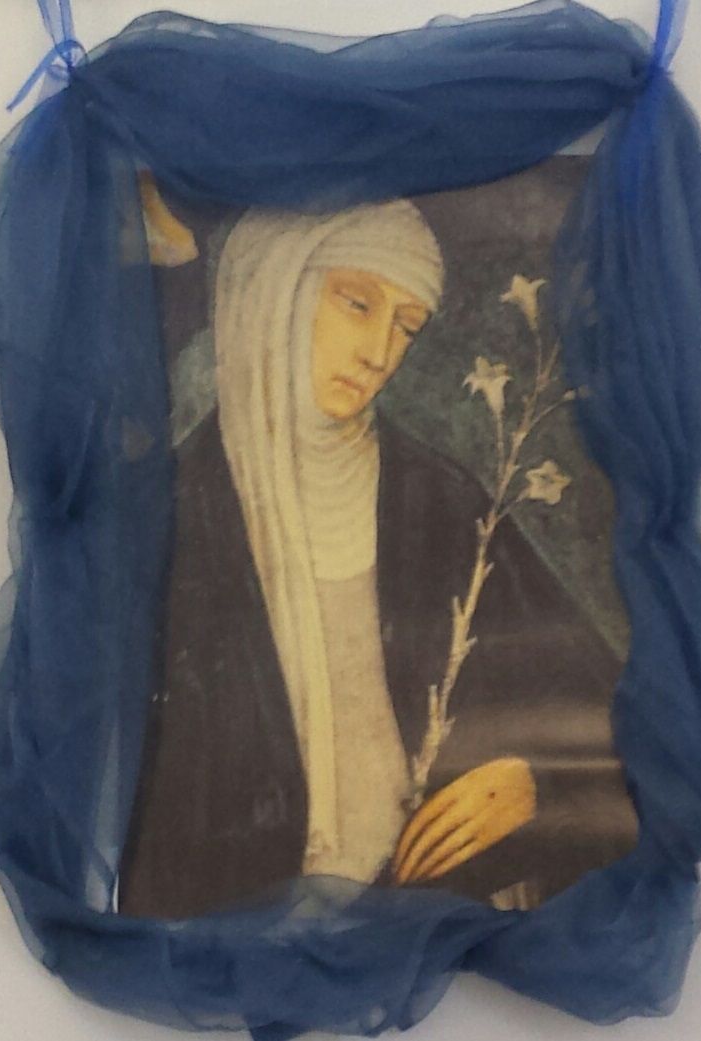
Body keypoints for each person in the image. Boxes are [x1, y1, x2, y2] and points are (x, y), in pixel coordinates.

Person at [119, 199, 638, 919]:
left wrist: (537, 782)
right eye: (357, 304)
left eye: (406, 326)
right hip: (232, 931)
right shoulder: (169, 513)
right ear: (273, 289)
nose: (379, 354)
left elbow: (613, 714)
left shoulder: (442, 504)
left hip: (422, 917)